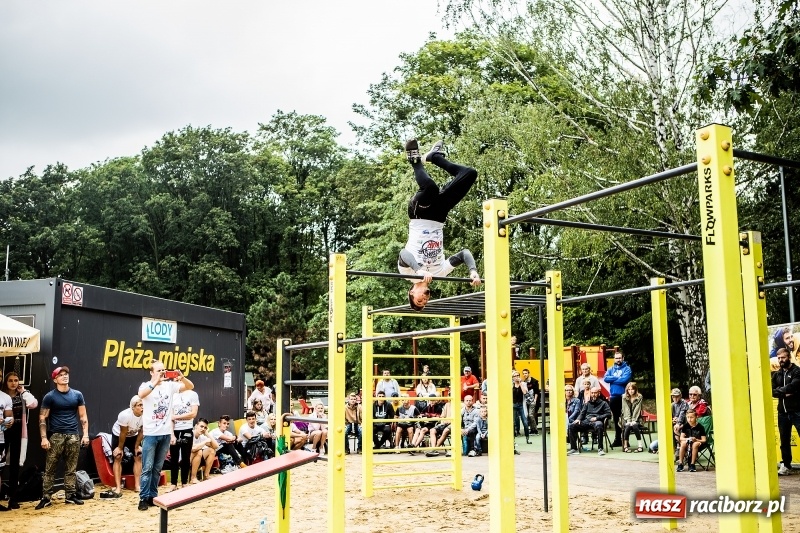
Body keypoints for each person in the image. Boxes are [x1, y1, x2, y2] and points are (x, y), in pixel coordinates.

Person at [399, 139, 482, 311]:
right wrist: (473, 271)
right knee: (469, 174)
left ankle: (414, 160)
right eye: (425, 302)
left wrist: (419, 270)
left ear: (412, 292)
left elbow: (403, 254)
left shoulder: (408, 274)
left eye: (420, 301)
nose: (425, 300)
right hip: (439, 216)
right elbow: (464, 254)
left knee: (430, 188)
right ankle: (434, 157)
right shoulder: (440, 273)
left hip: (419, 215)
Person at [137, 361, 194, 512]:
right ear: (151, 372)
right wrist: (156, 381)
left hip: (165, 433)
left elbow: (190, 387)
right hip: (150, 433)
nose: (162, 373)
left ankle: (152, 496)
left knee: (157, 468)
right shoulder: (145, 385)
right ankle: (143, 498)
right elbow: (141, 395)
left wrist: (182, 377)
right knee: (147, 467)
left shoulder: (169, 385)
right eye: (159, 370)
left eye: (164, 370)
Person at [36, 366, 90, 509]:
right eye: (61, 375)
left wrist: (85, 434)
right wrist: (44, 438)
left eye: (66, 374)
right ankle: (46, 497)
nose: (65, 376)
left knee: (71, 469)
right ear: (55, 379)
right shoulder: (50, 397)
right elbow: (42, 418)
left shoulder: (77, 395)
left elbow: (83, 416)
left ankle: (70, 496)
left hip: (73, 435)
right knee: (50, 468)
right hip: (56, 436)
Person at [0, 370, 37, 509]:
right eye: (10, 380)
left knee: (15, 465)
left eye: (16, 380)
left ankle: (13, 498)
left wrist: (23, 392)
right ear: (5, 382)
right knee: (1, 464)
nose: (13, 383)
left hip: (17, 432)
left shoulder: (21, 396)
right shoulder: (2, 396)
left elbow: (33, 404)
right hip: (3, 432)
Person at [102, 395, 144, 498]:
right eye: (139, 405)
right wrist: (120, 448)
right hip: (119, 435)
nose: (142, 407)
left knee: (138, 455)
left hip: (133, 435)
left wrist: (136, 446)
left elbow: (142, 431)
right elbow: (123, 433)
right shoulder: (124, 415)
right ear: (133, 407)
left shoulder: (146, 415)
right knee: (118, 457)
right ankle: (118, 487)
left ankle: (137, 486)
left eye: (143, 405)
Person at [772, 347, 800, 475]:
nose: (780, 360)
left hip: (797, 411)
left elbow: (794, 386)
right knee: (784, 440)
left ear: (788, 357)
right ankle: (786, 466)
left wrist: (781, 391)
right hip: (782, 413)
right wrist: (784, 393)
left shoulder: (797, 371)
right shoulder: (777, 374)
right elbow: (771, 391)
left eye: (783, 357)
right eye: (779, 358)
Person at [167, 385, 199, 492]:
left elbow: (193, 414)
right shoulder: (172, 395)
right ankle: (173, 483)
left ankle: (184, 482)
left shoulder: (192, 394)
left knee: (186, 457)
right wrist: (172, 434)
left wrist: (176, 417)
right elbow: (170, 417)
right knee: (174, 458)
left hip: (187, 428)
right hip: (175, 429)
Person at [568, 386, 611, 456]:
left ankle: (600, 448)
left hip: (597, 421)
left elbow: (608, 414)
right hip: (587, 421)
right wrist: (578, 419)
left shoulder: (603, 403)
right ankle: (573, 448)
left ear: (599, 393)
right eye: (592, 393)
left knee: (599, 425)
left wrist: (597, 418)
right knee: (572, 426)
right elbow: (582, 413)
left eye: (595, 393)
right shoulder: (587, 403)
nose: (593, 394)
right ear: (590, 393)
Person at [603, 349, 632, 447]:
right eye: (616, 358)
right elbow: (605, 378)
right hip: (614, 397)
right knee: (616, 419)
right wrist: (617, 378)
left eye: (620, 358)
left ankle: (626, 440)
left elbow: (624, 380)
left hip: (624, 397)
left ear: (623, 358)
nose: (618, 360)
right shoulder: (611, 369)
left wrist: (613, 379)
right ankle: (617, 440)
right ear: (614, 359)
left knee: (626, 418)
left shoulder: (627, 369)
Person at [189, 418, 218, 482]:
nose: (203, 429)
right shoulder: (190, 434)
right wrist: (204, 442)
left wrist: (207, 434)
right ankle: (193, 478)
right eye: (201, 426)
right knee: (198, 451)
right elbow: (193, 449)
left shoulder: (201, 436)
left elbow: (216, 446)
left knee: (212, 451)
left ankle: (206, 475)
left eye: (205, 428)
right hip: (185, 460)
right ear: (196, 426)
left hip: (196, 460)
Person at [620, 382, 644, 453]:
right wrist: (628, 420)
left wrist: (634, 420)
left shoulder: (639, 397)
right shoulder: (624, 397)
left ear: (635, 389)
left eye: (632, 389)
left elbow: (637, 409)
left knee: (635, 425)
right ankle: (625, 446)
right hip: (625, 418)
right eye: (629, 389)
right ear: (627, 390)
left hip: (637, 418)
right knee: (627, 426)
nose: (631, 391)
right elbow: (626, 409)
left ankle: (640, 446)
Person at [511, 371, 530, 443]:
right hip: (513, 405)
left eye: (518, 375)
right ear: (512, 378)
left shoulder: (523, 384)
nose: (516, 377)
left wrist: (520, 383)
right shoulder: (511, 384)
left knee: (525, 422)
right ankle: (513, 439)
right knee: (513, 423)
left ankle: (527, 438)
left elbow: (525, 392)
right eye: (515, 376)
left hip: (521, 405)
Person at [521, 368, 540, 436]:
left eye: (526, 373)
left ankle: (535, 429)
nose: (524, 375)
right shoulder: (524, 382)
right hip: (527, 400)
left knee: (531, 415)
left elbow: (537, 391)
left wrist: (535, 400)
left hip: (533, 400)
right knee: (528, 415)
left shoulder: (534, 381)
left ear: (528, 373)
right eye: (523, 373)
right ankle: (532, 429)